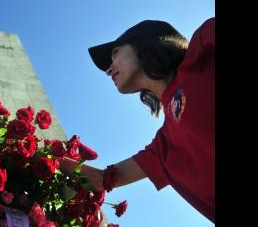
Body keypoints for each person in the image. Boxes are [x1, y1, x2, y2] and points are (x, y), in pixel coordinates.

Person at [60, 18, 215, 223]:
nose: (108, 70)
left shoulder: (203, 48)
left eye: (115, 54)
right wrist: (41, 159)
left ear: (144, 42)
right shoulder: (164, 145)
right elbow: (100, 179)